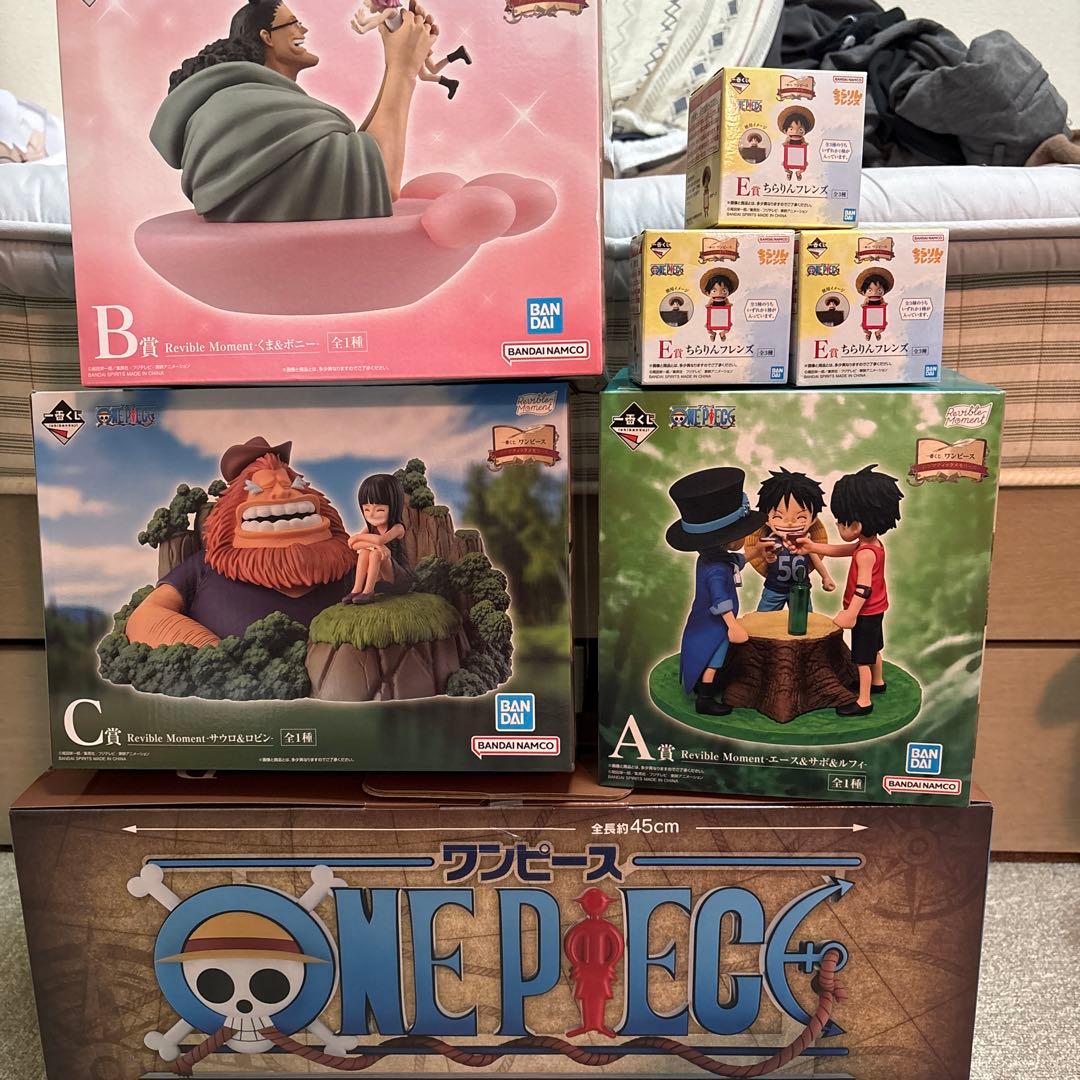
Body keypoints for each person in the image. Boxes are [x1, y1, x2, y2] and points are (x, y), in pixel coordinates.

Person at [151, 0, 440, 222]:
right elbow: (379, 180)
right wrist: (403, 68)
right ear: (267, 37)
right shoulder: (244, 108)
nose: (304, 30)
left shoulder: (256, 105)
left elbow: (361, 160)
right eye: (293, 23)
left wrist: (397, 60)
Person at [797, 465, 903, 716]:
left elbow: (863, 588)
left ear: (856, 525)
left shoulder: (865, 553)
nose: (838, 525)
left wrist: (851, 613)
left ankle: (864, 701)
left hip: (864, 613)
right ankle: (878, 682)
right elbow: (840, 550)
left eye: (841, 522)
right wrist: (813, 547)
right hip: (877, 610)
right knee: (875, 648)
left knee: (862, 659)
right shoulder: (872, 545)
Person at [667, 468, 766, 717]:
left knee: (710, 655)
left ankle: (703, 683)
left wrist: (756, 552)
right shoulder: (716, 570)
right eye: (741, 534)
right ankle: (706, 698)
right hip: (715, 625)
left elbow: (736, 561)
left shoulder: (712, 558)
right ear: (728, 540)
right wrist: (732, 626)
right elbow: (721, 601)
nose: (744, 538)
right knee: (715, 657)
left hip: (706, 620)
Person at [746, 468, 836, 612]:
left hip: (801, 590)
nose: (789, 523)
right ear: (767, 520)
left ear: (813, 519)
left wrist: (826, 577)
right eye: (778, 517)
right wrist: (769, 557)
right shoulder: (770, 540)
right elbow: (765, 556)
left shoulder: (806, 542)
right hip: (774, 589)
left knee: (804, 620)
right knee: (763, 619)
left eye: (801, 517)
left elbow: (816, 560)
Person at [351, 0, 471, 100]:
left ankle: (452, 76)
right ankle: (455, 67)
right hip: (412, 45)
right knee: (429, 72)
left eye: (369, 2)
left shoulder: (390, 11)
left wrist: (364, 29)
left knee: (430, 72)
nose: (366, 4)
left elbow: (377, 21)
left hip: (414, 46)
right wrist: (362, 22)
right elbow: (375, 19)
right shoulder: (386, 13)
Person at [342, 473, 415, 604]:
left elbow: (379, 540)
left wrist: (359, 538)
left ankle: (368, 591)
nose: (371, 515)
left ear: (393, 507)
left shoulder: (398, 528)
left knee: (375, 554)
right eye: (366, 509)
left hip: (400, 579)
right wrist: (376, 546)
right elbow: (353, 545)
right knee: (365, 552)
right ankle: (357, 589)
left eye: (379, 510)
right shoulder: (370, 528)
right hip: (383, 578)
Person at [778, 106, 813, 180]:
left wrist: (804, 144)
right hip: (790, 156)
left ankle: (798, 173)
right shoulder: (788, 139)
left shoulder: (802, 138)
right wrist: (785, 144)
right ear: (785, 131)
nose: (795, 132)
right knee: (786, 168)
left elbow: (804, 143)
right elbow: (785, 143)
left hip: (800, 157)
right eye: (791, 129)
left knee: (803, 168)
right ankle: (789, 172)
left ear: (805, 130)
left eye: (800, 129)